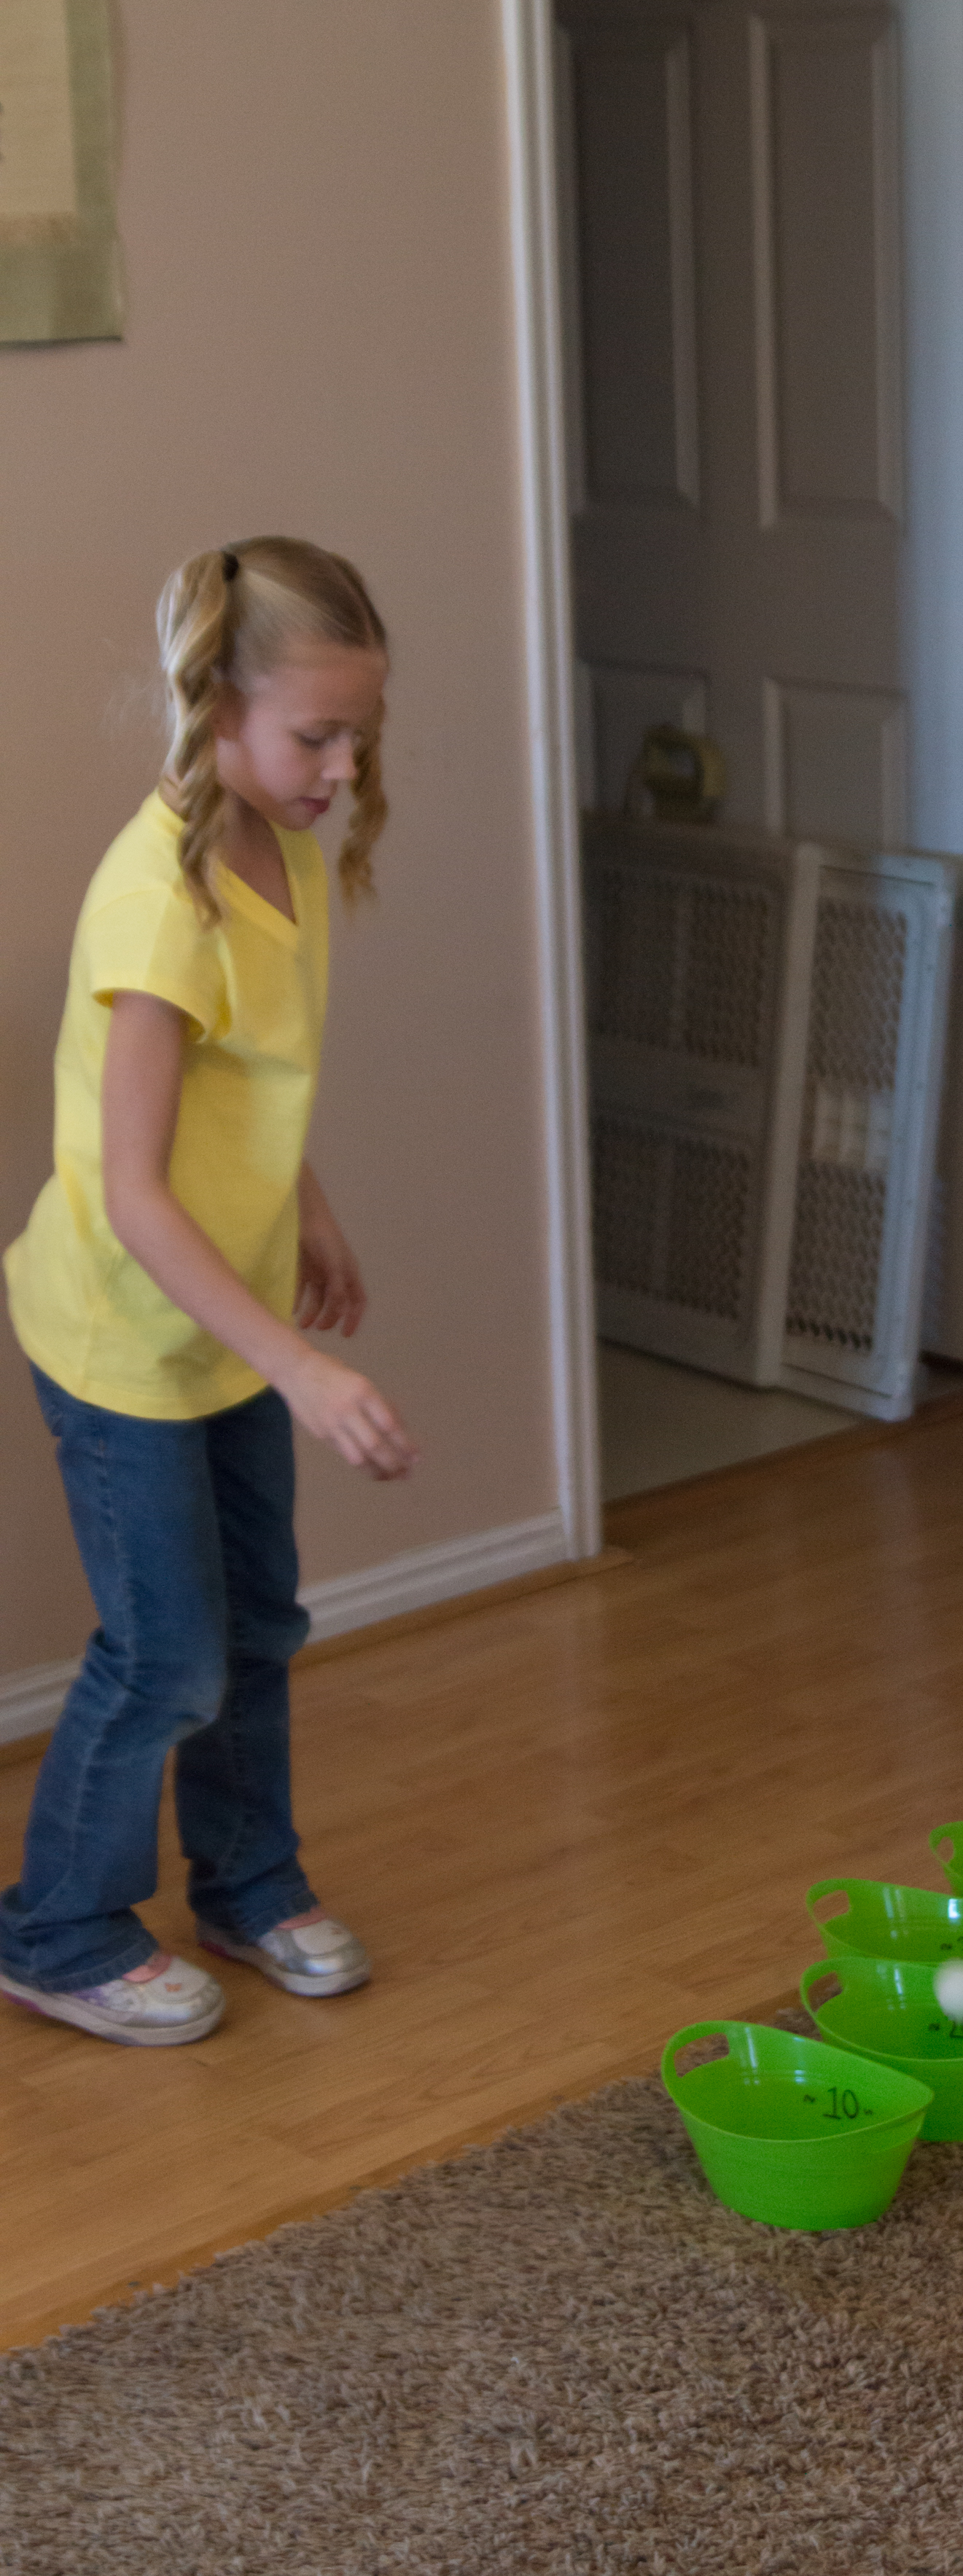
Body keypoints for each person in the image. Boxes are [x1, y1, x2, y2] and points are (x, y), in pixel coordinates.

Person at [0, 537, 417, 2047]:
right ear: (218, 710)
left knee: (257, 1624)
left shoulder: (284, 846)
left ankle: (248, 1882)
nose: (344, 768)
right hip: (125, 1335)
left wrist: (308, 1205)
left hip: (225, 1315)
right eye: (318, 736)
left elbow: (245, 1089)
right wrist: (302, 1370)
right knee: (165, 1651)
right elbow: (131, 1189)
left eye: (360, 733)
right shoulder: (156, 903)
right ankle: (55, 1927)